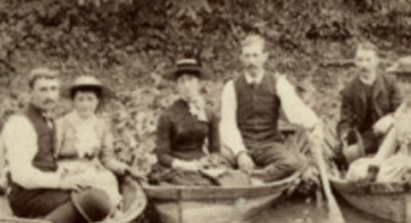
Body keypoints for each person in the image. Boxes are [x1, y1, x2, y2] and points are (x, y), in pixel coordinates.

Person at [3, 68, 114, 223]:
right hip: (27, 197)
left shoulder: (48, 121)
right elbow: (21, 176)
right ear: (30, 93)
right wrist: (60, 182)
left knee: (97, 195)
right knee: (93, 200)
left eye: (53, 89)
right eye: (43, 90)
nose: (49, 96)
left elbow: (48, 159)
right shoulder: (20, 124)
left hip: (46, 190)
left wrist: (68, 174)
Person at [218, 34, 326, 182]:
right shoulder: (231, 86)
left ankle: (254, 179)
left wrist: (314, 124)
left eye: (255, 55)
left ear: (264, 57)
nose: (251, 61)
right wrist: (240, 153)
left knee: (292, 163)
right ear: (241, 58)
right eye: (247, 56)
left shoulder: (277, 82)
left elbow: (295, 108)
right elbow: (228, 124)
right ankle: (251, 178)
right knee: (216, 162)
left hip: (269, 144)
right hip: (242, 142)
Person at [346, 56, 411, 184]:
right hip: (400, 159)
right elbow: (390, 143)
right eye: (403, 81)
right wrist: (374, 167)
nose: (406, 87)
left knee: (386, 180)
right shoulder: (401, 110)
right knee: (356, 171)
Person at [150, 58, 245, 187]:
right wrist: (187, 166)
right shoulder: (167, 115)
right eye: (182, 81)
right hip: (177, 167)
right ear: (177, 85)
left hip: (201, 164)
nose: (186, 85)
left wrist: (211, 162)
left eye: (190, 80)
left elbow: (215, 150)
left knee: (234, 179)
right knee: (201, 185)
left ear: (198, 83)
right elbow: (162, 155)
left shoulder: (209, 114)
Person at [54, 75, 133, 206]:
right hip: (66, 170)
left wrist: (124, 168)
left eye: (90, 99)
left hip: (92, 170)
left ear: (97, 101)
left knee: (108, 180)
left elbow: (107, 159)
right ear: (73, 101)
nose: (85, 105)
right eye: (80, 99)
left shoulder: (102, 126)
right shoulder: (61, 124)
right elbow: (51, 156)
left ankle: (109, 217)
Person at [336, 41, 397, 168]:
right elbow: (345, 120)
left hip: (391, 132)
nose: (364, 65)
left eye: (368, 60)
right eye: (360, 60)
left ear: (377, 61)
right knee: (342, 155)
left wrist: (390, 118)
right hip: (365, 136)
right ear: (355, 62)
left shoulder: (390, 83)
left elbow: (403, 109)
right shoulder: (349, 89)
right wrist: (345, 136)